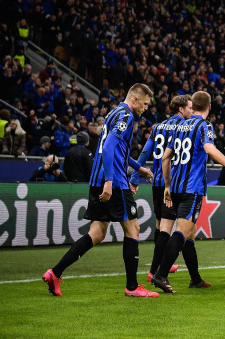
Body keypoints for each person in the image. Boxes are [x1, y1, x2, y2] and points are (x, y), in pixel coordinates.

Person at [42, 83, 157, 297]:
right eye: (145, 104)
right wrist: (110, 181)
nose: (145, 108)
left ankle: (55, 273)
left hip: (97, 179)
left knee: (97, 233)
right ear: (135, 99)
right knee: (133, 230)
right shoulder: (126, 116)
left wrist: (138, 167)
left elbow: (112, 147)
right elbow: (110, 148)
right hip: (114, 182)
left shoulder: (114, 112)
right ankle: (132, 287)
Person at [150, 91, 225, 293]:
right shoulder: (204, 126)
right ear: (209, 107)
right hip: (191, 189)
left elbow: (165, 158)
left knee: (189, 235)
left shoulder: (179, 125)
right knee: (181, 233)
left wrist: (167, 186)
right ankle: (160, 275)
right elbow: (209, 149)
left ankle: (195, 278)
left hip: (175, 187)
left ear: (192, 105)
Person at [130, 95, 193, 284]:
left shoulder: (157, 127)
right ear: (180, 110)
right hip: (172, 183)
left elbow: (145, 152)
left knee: (160, 224)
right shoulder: (183, 128)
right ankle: (155, 269)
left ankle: (157, 266)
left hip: (156, 182)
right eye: (188, 108)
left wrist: (135, 176)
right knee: (171, 227)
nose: (191, 111)